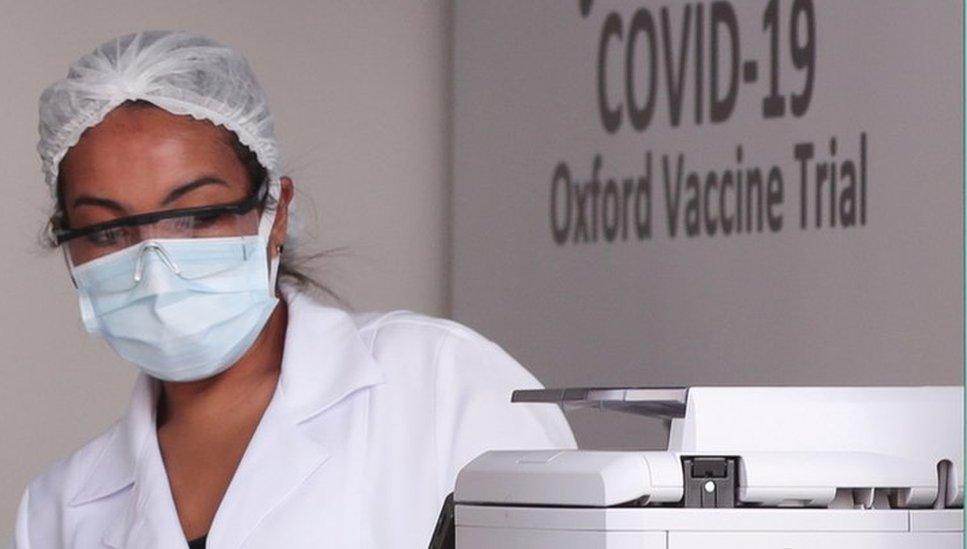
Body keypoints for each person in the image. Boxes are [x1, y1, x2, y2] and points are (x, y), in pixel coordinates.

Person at [9, 30, 576, 548]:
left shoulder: (443, 384)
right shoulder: (58, 508)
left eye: (197, 216)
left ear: (274, 216)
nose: (155, 264)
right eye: (109, 230)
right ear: (70, 247)